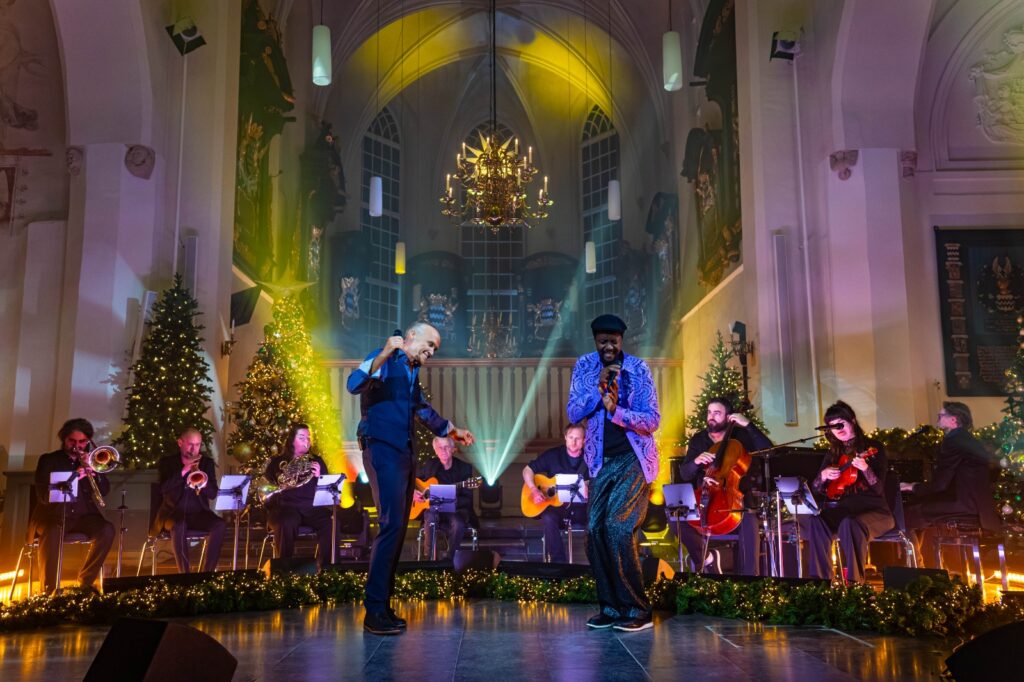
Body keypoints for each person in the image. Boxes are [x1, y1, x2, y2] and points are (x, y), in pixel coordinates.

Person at [347, 322, 475, 636]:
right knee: (390, 525)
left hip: (404, 454)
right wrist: (387, 350)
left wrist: (451, 431)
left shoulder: (410, 370)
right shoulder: (385, 358)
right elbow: (353, 383)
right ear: (411, 337)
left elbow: (421, 408)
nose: (430, 353)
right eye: (428, 345)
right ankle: (374, 609)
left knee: (399, 528)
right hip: (382, 450)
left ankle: (383, 606)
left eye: (434, 350)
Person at [567, 314, 660, 632]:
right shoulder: (584, 366)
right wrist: (598, 390)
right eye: (602, 341)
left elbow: (652, 420)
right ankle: (610, 606)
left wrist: (616, 412)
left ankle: (636, 608)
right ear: (595, 341)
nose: (608, 346)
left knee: (619, 528)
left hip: (633, 459)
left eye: (613, 341)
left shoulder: (639, 369)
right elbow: (574, 411)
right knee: (594, 531)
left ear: (622, 341)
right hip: (599, 461)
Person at [799, 401, 894, 583]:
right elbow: (817, 491)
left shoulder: (873, 448)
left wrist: (866, 468)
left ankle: (855, 583)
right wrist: (823, 476)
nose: (838, 429)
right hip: (844, 512)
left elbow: (879, 489)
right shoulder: (834, 453)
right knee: (817, 521)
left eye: (841, 424)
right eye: (833, 427)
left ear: (852, 421)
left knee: (850, 523)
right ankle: (821, 582)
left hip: (875, 512)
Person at [675, 397, 771, 575]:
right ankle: (707, 559)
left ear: (728, 417)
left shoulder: (740, 438)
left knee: (749, 521)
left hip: (735, 501)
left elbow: (768, 451)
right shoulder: (699, 440)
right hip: (704, 499)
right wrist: (696, 462)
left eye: (717, 413)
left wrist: (748, 425)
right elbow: (685, 473)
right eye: (709, 412)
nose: (711, 417)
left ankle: (750, 581)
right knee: (677, 519)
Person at [901, 402, 1001, 565]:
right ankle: (921, 565)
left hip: (963, 504)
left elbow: (940, 485)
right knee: (917, 510)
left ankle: (916, 568)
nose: (938, 419)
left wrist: (911, 486)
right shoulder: (968, 440)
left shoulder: (953, 440)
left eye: (941, 416)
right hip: (979, 506)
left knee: (906, 514)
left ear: (953, 420)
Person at [32, 418, 114, 593]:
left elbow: (105, 490)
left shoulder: (90, 460)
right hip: (53, 515)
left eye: (82, 441)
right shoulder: (49, 460)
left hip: (84, 517)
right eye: (72, 441)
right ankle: (50, 589)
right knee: (52, 531)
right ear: (64, 440)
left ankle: (85, 582)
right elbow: (43, 496)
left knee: (107, 529)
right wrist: (74, 475)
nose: (77, 446)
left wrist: (95, 471)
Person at [153, 427, 225, 573]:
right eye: (190, 444)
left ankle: (207, 574)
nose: (194, 449)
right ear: (180, 442)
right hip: (173, 514)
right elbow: (163, 489)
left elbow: (212, 494)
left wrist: (203, 483)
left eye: (198, 444)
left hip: (199, 512)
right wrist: (184, 471)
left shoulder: (206, 463)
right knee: (180, 525)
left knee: (220, 525)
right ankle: (184, 575)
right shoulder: (168, 462)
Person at [264, 423, 335, 570]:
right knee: (287, 520)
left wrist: (319, 476)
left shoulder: (316, 461)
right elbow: (268, 488)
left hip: (311, 508)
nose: (306, 441)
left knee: (330, 522)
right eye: (301, 437)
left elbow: (328, 489)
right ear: (291, 440)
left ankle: (326, 568)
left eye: (308, 438)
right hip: (286, 507)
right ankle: (285, 570)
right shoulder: (278, 462)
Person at [523, 423, 589, 563]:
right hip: (557, 510)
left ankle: (597, 565)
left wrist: (589, 491)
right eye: (570, 437)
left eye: (578, 438)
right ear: (565, 437)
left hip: (581, 510)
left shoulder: (590, 459)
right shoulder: (553, 455)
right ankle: (559, 564)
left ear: (584, 440)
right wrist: (534, 490)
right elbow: (527, 470)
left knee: (599, 518)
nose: (574, 441)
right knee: (548, 517)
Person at [417, 436, 477, 559]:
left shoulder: (464, 468)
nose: (443, 451)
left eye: (446, 447)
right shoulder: (430, 465)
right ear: (435, 451)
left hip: (455, 510)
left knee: (458, 524)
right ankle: (429, 559)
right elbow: (412, 480)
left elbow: (467, 499)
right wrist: (414, 492)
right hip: (433, 510)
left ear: (453, 449)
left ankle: (450, 560)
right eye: (440, 448)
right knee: (431, 517)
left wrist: (450, 500)